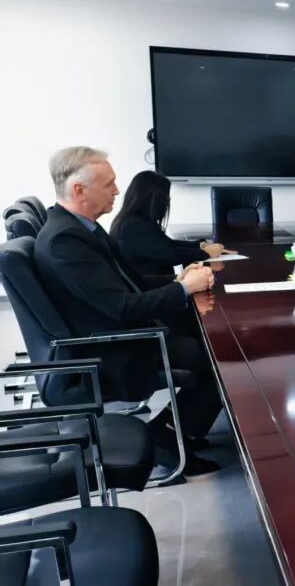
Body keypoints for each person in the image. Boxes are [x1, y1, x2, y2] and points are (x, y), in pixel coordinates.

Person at [35, 147, 223, 474]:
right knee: (222, 359)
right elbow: (123, 306)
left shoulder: (81, 229)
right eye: (108, 184)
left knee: (206, 340)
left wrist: (178, 280)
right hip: (114, 352)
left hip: (121, 337)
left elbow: (130, 282)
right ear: (79, 190)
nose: (117, 191)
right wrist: (182, 289)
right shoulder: (65, 241)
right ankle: (168, 438)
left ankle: (177, 430)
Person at [111, 170, 232, 277]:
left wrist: (200, 245)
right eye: (166, 197)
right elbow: (169, 254)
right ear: (155, 200)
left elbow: (167, 244)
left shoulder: (133, 220)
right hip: (150, 289)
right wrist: (206, 253)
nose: (167, 201)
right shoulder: (135, 226)